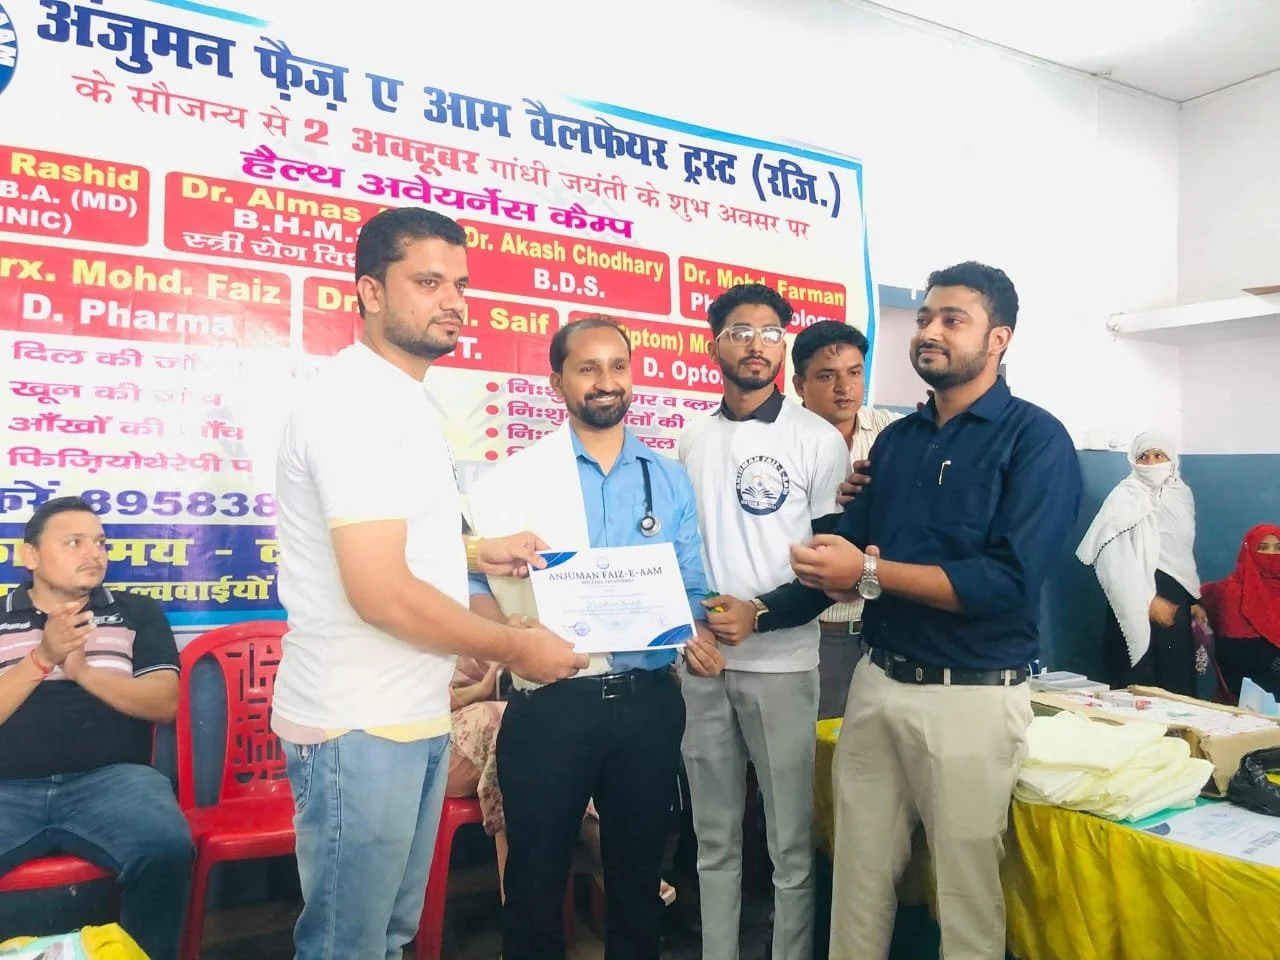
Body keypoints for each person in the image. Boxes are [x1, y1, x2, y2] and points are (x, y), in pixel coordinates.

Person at [271, 207, 588, 960]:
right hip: (359, 722)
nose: (452, 300)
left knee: (388, 937)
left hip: (407, 714)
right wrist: (516, 648)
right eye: (427, 281)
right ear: (369, 293)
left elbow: (394, 541)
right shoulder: (354, 405)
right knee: (348, 945)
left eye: (460, 284)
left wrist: (478, 551)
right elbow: (379, 591)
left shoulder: (401, 397)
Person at [788, 262, 1082, 959]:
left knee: (965, 895)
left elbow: (1008, 582)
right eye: (924, 317)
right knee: (856, 883)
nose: (930, 331)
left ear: (999, 338)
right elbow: (852, 544)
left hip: (971, 699)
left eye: (953, 319)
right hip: (878, 683)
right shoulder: (898, 442)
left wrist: (864, 571)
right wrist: (824, 559)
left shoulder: (1036, 441)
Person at [466, 316, 725, 960]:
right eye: (588, 368)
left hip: (646, 700)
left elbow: (690, 581)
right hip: (551, 701)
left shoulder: (666, 478)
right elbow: (469, 582)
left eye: (618, 366)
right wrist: (504, 631)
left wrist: (697, 630)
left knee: (638, 876)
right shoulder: (511, 481)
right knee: (533, 879)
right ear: (557, 381)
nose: (606, 382)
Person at [678, 284, 849, 960]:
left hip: (781, 667)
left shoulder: (814, 440)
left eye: (771, 331)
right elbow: (673, 552)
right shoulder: (691, 437)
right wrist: (688, 630)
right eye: (741, 329)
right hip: (702, 668)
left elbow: (832, 571)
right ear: (713, 342)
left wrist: (763, 615)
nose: (757, 343)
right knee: (713, 840)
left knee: (789, 845)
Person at [0, 497, 193, 960]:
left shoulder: (136, 612)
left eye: (100, 543)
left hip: (114, 782)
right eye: (74, 542)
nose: (94, 553)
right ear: (31, 555)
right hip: (7, 787)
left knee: (166, 848)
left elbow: (164, 703)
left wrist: (84, 672)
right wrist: (43, 658)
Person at [790, 320, 901, 719]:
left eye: (854, 373)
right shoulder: (780, 441)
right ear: (799, 385)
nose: (845, 387)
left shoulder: (893, 433)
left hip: (884, 627)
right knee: (811, 760)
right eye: (827, 376)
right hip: (816, 630)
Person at [1077, 432, 1206, 696]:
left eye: (1159, 456)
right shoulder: (1124, 496)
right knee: (1136, 683)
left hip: (1173, 597)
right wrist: (1147, 599)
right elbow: (1114, 559)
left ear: (1172, 461)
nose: (1151, 462)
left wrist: (1191, 599)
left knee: (1175, 681)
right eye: (1143, 457)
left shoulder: (1181, 496)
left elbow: (1180, 552)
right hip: (1132, 597)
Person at [1202, 524, 1280, 698]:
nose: (1272, 554)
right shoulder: (1235, 590)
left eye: (1278, 547)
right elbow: (1235, 654)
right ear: (1248, 550)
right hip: (1250, 681)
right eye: (1263, 547)